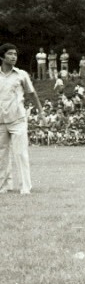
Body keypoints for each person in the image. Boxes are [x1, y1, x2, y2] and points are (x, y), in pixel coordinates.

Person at [0, 44, 43, 194]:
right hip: (0, 121)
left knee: (20, 153)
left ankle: (25, 187)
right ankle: (4, 186)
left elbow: (32, 94)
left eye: (15, 54)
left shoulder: (21, 74)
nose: (14, 57)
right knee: (1, 155)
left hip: (18, 119)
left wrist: (41, 113)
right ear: (2, 57)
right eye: (10, 54)